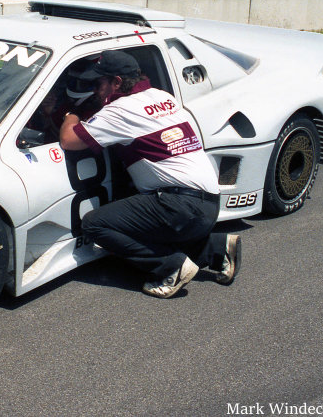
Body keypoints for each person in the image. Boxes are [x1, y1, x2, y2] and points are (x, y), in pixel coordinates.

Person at [59, 50, 241, 299]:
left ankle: (169, 266)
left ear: (117, 83)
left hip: (179, 205)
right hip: (208, 202)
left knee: (95, 223)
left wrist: (70, 115)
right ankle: (216, 250)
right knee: (146, 220)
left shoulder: (119, 110)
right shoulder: (161, 96)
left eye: (98, 83)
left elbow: (69, 140)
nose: (94, 90)